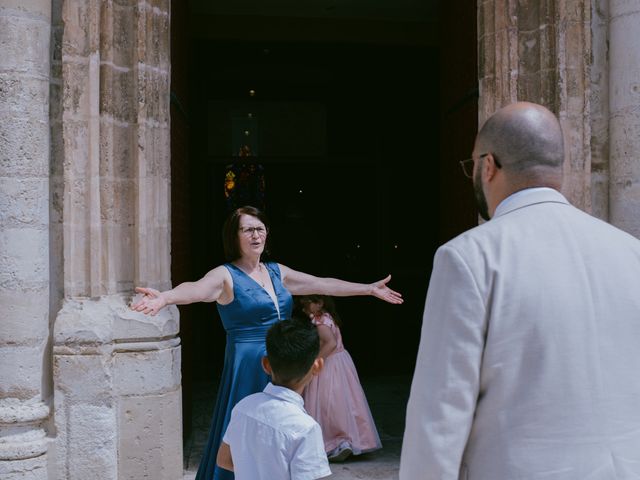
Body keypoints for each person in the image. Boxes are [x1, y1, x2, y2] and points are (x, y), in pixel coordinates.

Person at [399, 102, 640, 479]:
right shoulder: (631, 252)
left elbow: (441, 413)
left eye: (472, 168)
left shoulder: (468, 257)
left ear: (488, 165)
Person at [130, 205, 403, 480]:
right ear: (233, 236)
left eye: (260, 229)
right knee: (244, 428)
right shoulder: (225, 275)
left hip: (282, 358)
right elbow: (197, 289)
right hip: (248, 363)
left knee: (283, 427)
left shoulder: (277, 272)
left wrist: (367, 289)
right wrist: (166, 297)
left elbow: (321, 284)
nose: (255, 235)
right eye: (247, 230)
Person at [216, 317, 331, 480]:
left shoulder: (243, 407)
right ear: (317, 366)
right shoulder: (305, 428)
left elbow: (223, 460)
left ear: (266, 364)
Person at [297, 294, 382, 462]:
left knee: (327, 403)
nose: (303, 309)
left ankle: (336, 442)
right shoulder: (327, 317)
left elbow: (331, 343)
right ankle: (345, 440)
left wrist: (315, 362)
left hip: (329, 364)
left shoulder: (320, 322)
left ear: (319, 303)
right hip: (341, 362)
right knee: (343, 402)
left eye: (306, 304)